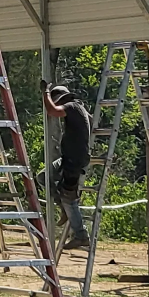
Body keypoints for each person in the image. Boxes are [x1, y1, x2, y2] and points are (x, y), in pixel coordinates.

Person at [40, 80, 91, 250]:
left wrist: (45, 93)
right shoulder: (78, 109)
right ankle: (61, 206)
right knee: (43, 177)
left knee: (69, 198)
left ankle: (81, 235)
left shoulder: (72, 107)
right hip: (68, 157)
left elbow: (52, 110)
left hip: (74, 159)